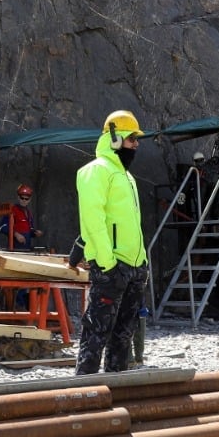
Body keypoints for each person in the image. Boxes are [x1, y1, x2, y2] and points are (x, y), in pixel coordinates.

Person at [75, 110, 150, 375]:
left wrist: (141, 264)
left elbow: (132, 224)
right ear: (114, 138)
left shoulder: (127, 177)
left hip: (133, 266)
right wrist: (107, 262)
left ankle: (116, 390)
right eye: (132, 139)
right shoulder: (95, 171)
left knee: (123, 335)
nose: (136, 144)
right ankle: (85, 393)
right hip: (112, 267)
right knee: (96, 333)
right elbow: (92, 221)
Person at [0, 184, 43, 250]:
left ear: (29, 200)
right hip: (14, 250)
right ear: (18, 197)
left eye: (26, 199)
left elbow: (30, 230)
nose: (24, 200)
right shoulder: (12, 210)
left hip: (26, 250)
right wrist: (16, 234)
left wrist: (35, 233)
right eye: (22, 198)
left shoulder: (29, 214)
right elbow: (1, 227)